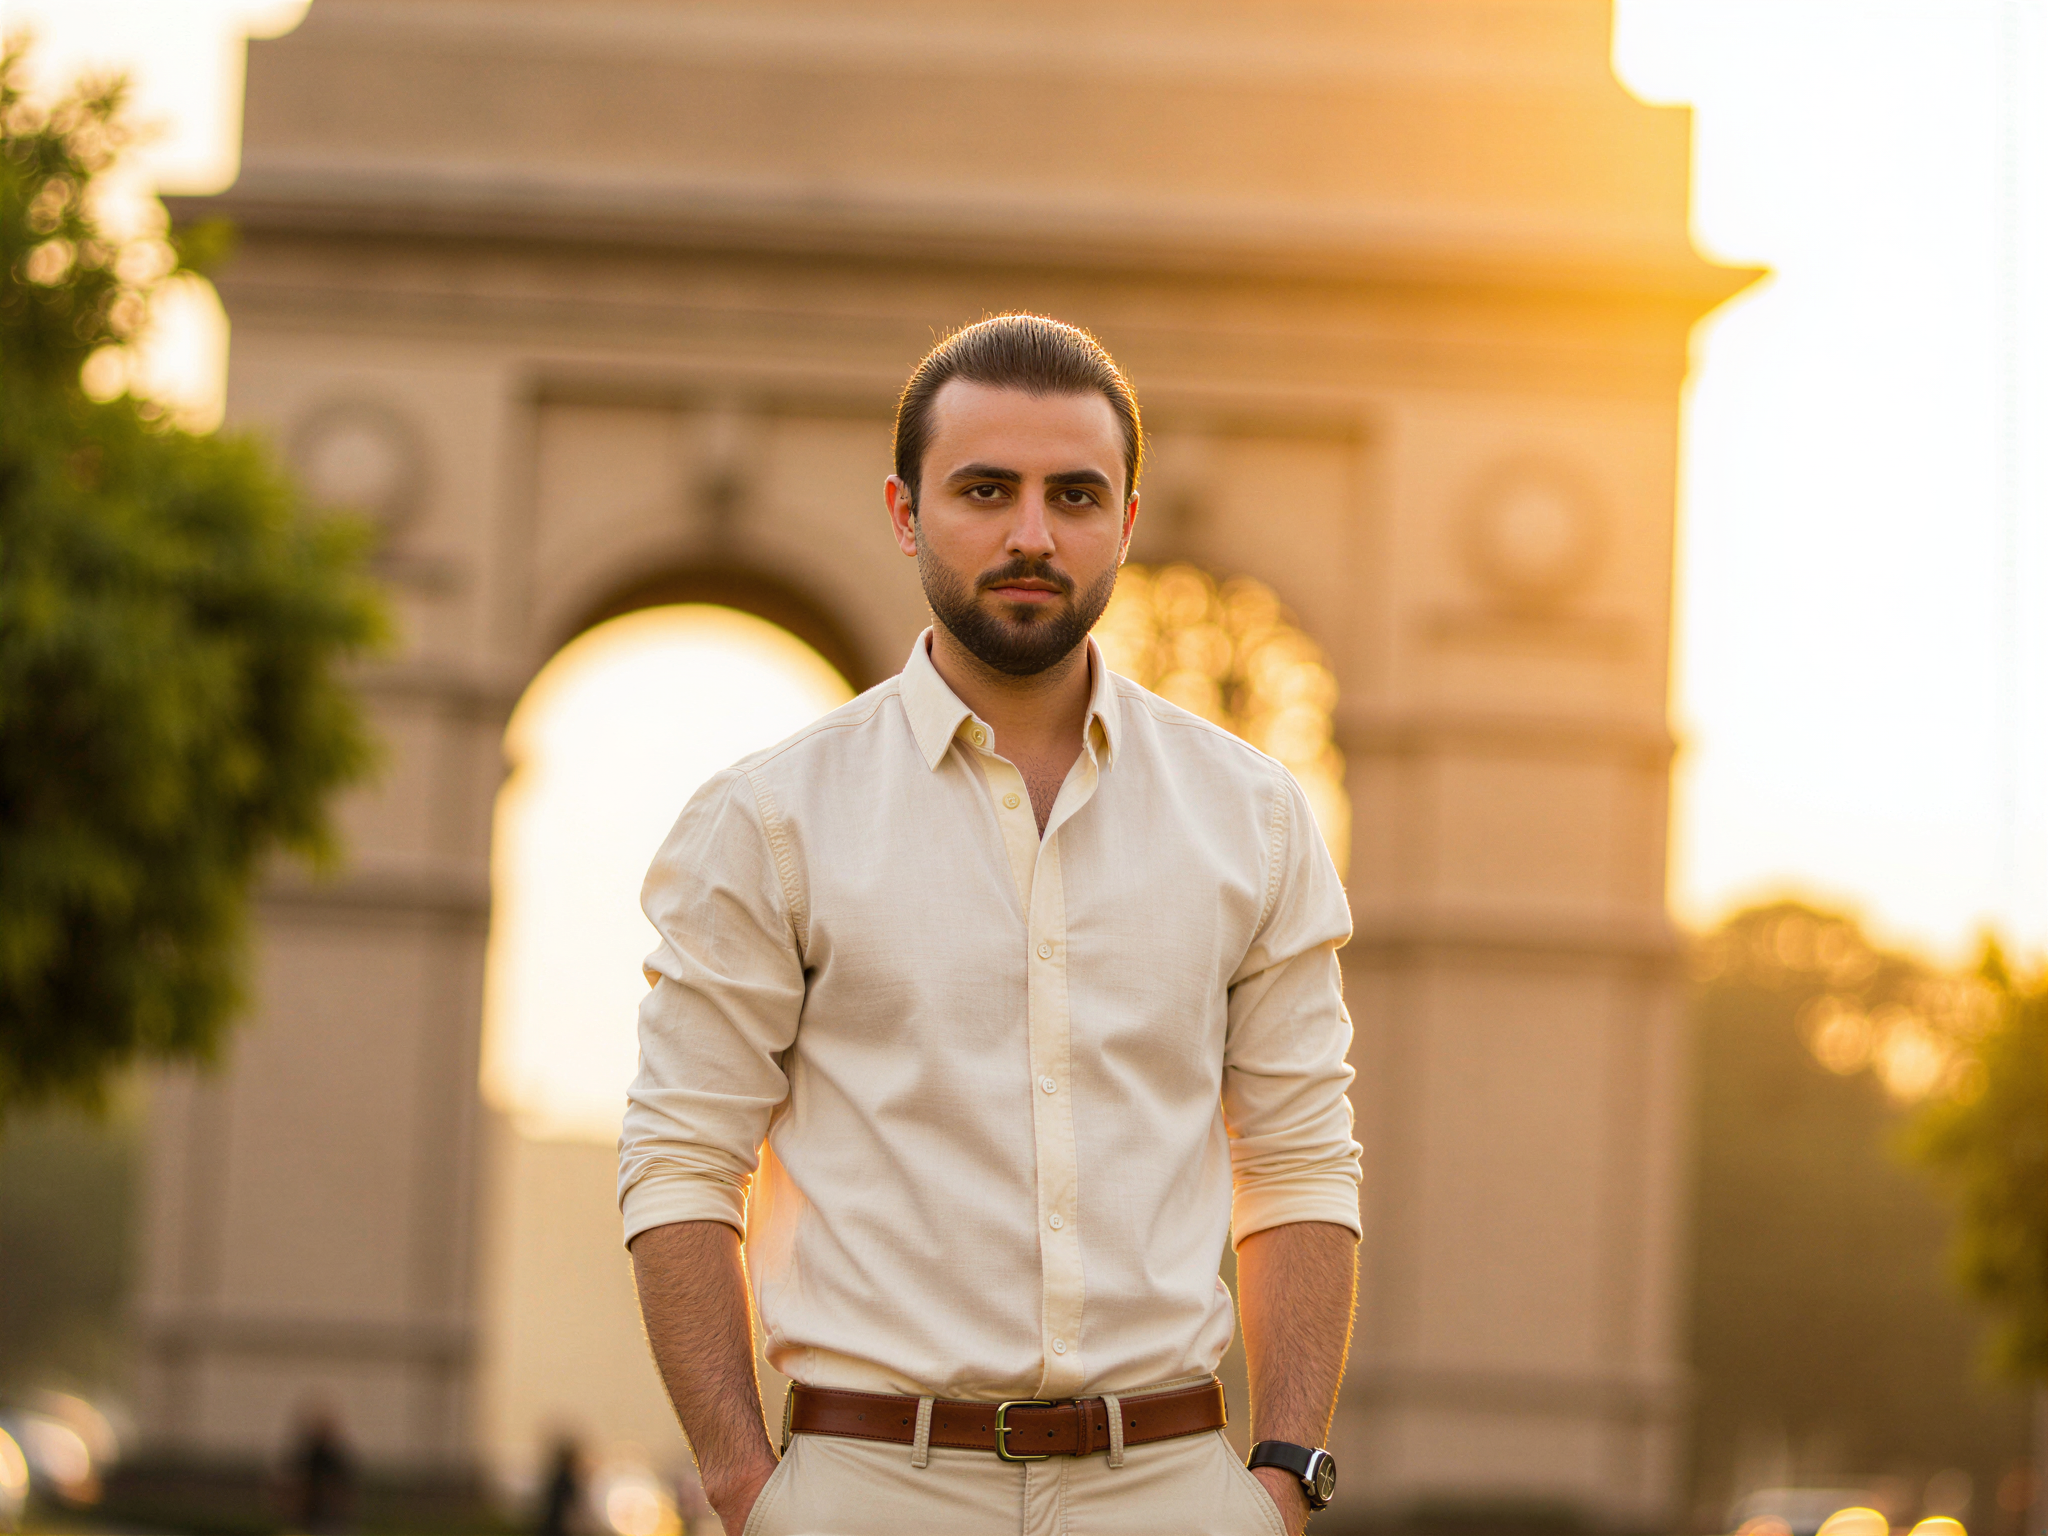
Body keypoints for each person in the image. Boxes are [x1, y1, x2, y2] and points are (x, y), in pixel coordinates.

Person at [620, 314, 1361, 1536]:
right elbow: (681, 1158)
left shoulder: (1254, 820)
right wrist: (748, 1491)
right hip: (866, 1489)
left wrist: (1282, 1480)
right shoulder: (771, 818)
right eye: (984, 490)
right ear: (906, 512)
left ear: (1125, 519)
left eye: (1074, 495)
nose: (1031, 533)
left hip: (1170, 1490)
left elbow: (1295, 1160)